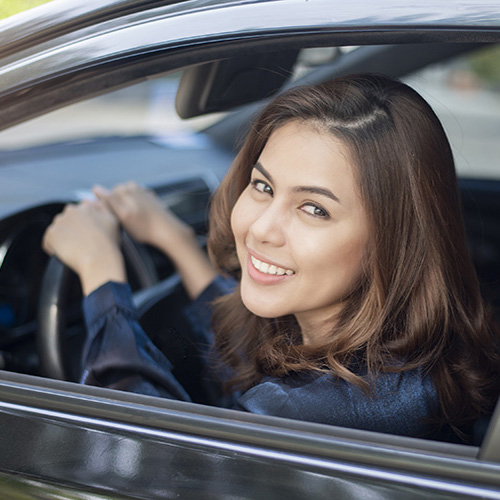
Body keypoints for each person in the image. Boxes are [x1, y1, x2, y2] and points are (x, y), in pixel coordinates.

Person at [43, 73, 500, 443]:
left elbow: (140, 457)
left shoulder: (301, 412)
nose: (261, 229)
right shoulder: (410, 358)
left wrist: (101, 276)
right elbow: (239, 350)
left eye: (314, 209)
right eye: (262, 187)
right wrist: (177, 242)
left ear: (395, 241)